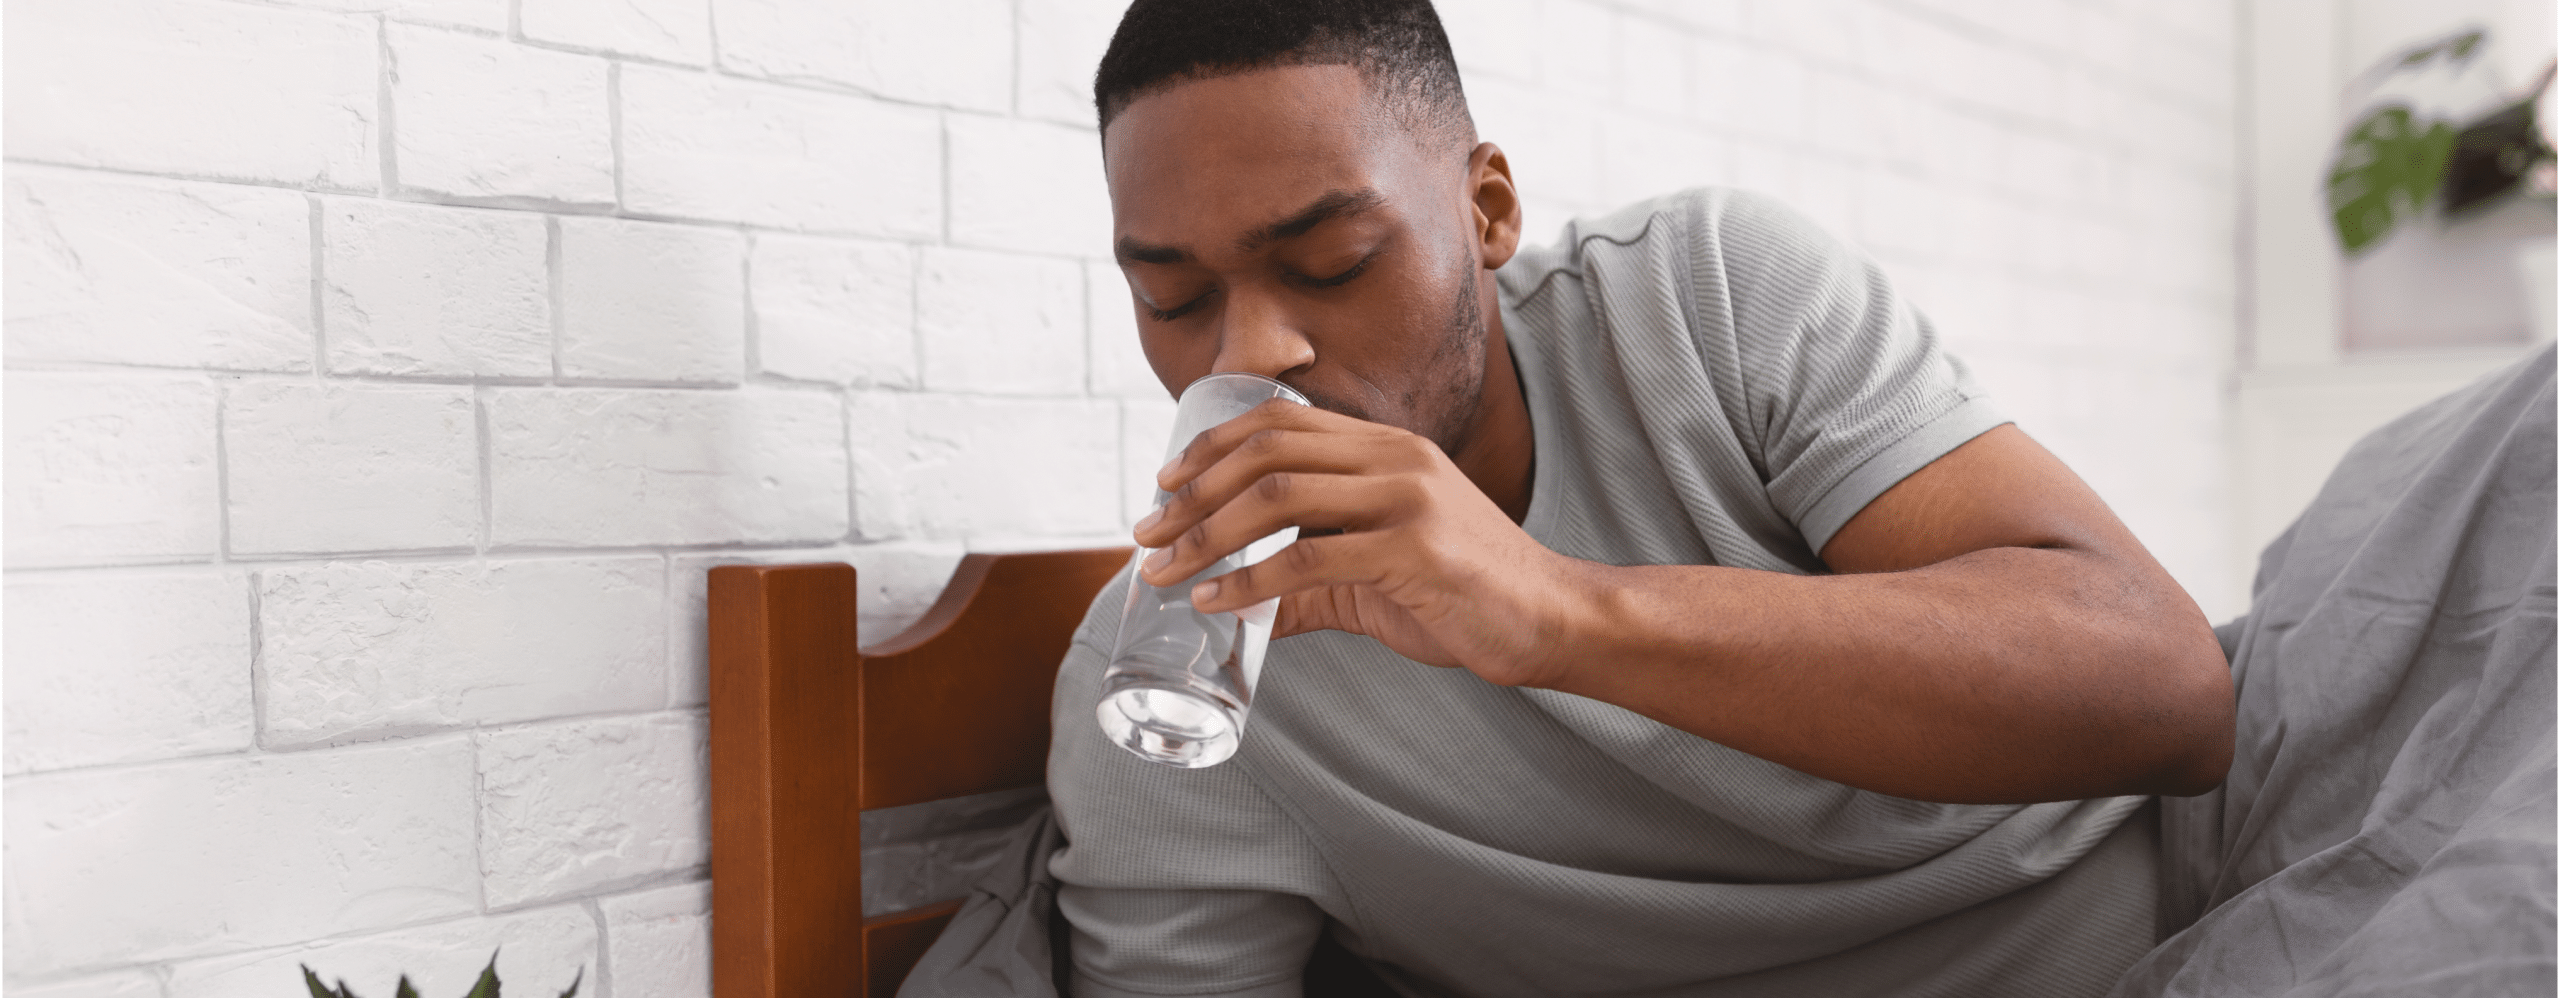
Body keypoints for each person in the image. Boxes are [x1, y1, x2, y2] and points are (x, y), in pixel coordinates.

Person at [1041, 1, 2237, 995]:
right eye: (1173, 297)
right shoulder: (1171, 686)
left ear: (1487, 208)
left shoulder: (1701, 297)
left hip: (2207, 925)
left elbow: (2169, 694)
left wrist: (1557, 611)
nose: (1251, 353)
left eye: (1334, 263)